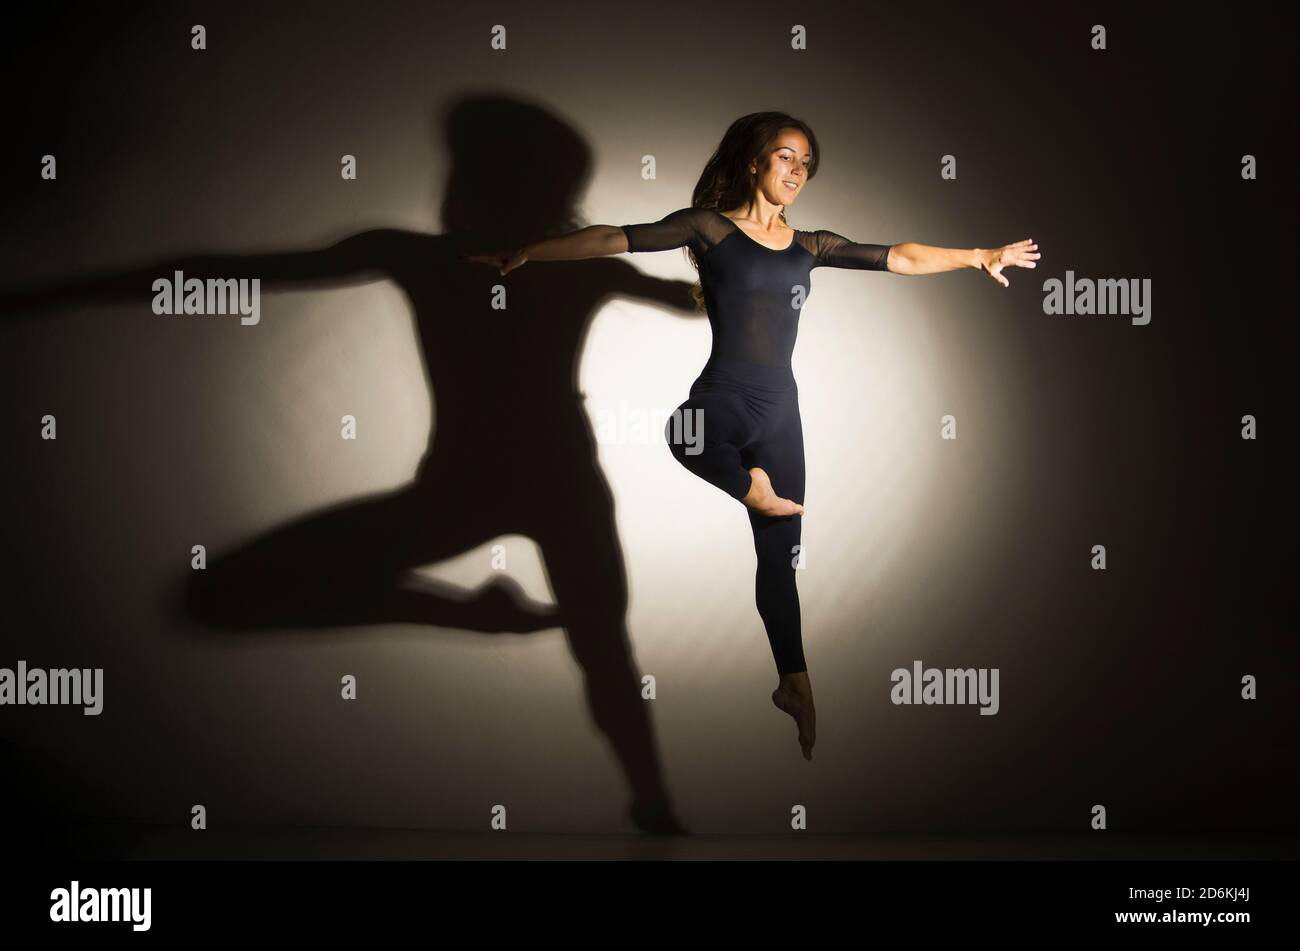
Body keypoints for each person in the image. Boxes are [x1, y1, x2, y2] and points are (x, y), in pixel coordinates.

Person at [465, 111, 1039, 760]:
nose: (796, 172)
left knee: (780, 560)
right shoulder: (708, 228)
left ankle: (793, 680)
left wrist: (977, 257)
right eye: (786, 157)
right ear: (754, 161)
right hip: (727, 399)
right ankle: (748, 488)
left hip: (783, 416)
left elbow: (898, 256)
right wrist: (530, 251)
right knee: (686, 434)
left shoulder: (810, 245)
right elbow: (611, 239)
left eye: (806, 165)